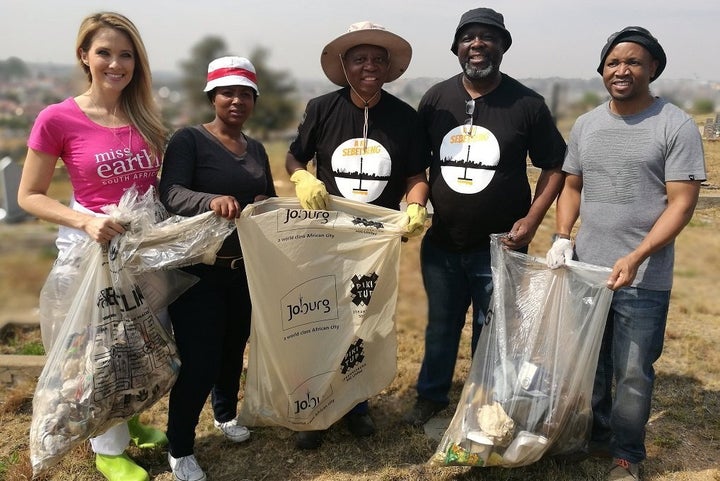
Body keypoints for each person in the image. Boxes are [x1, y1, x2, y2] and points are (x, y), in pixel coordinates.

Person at [546, 26, 705, 481]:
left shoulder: (675, 125)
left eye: (634, 62)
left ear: (653, 68)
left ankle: (626, 455)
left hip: (644, 276)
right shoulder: (587, 124)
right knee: (591, 365)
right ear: (602, 71)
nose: (622, 70)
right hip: (588, 271)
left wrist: (636, 256)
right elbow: (572, 185)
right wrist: (562, 235)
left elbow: (682, 203)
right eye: (613, 63)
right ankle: (593, 437)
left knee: (633, 371)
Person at [17, 12, 168, 481]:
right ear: (84, 56)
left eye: (126, 55)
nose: (115, 64)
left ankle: (132, 419)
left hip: (144, 250)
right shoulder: (57, 118)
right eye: (104, 52)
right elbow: (29, 195)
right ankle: (107, 447)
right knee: (100, 349)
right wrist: (85, 220)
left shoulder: (142, 115)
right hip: (93, 254)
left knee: (142, 341)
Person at [403, 7, 567, 427]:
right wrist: (416, 203)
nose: (477, 44)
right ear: (457, 48)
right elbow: (416, 162)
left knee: (492, 331)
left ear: (503, 46)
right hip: (442, 244)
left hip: (500, 248)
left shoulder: (527, 104)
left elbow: (554, 166)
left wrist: (532, 219)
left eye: (487, 37)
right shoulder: (437, 99)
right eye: (468, 37)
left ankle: (484, 400)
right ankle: (432, 395)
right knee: (440, 326)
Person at [285, 21, 430, 449]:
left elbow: (415, 174)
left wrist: (416, 203)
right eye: (360, 58)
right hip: (326, 236)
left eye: (378, 59)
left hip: (375, 242)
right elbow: (296, 155)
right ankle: (314, 409)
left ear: (389, 67)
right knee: (322, 319)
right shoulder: (322, 108)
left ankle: (356, 406)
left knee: (365, 323)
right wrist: (301, 179)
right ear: (344, 65)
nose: (369, 66)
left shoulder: (405, 118)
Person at [159, 56, 276, 481]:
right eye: (228, 92)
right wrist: (210, 201)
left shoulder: (257, 148)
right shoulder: (189, 139)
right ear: (212, 96)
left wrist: (266, 206)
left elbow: (268, 198)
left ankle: (225, 414)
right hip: (199, 272)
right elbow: (170, 192)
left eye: (246, 93)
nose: (237, 101)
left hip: (244, 269)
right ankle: (180, 448)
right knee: (200, 361)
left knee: (233, 348)